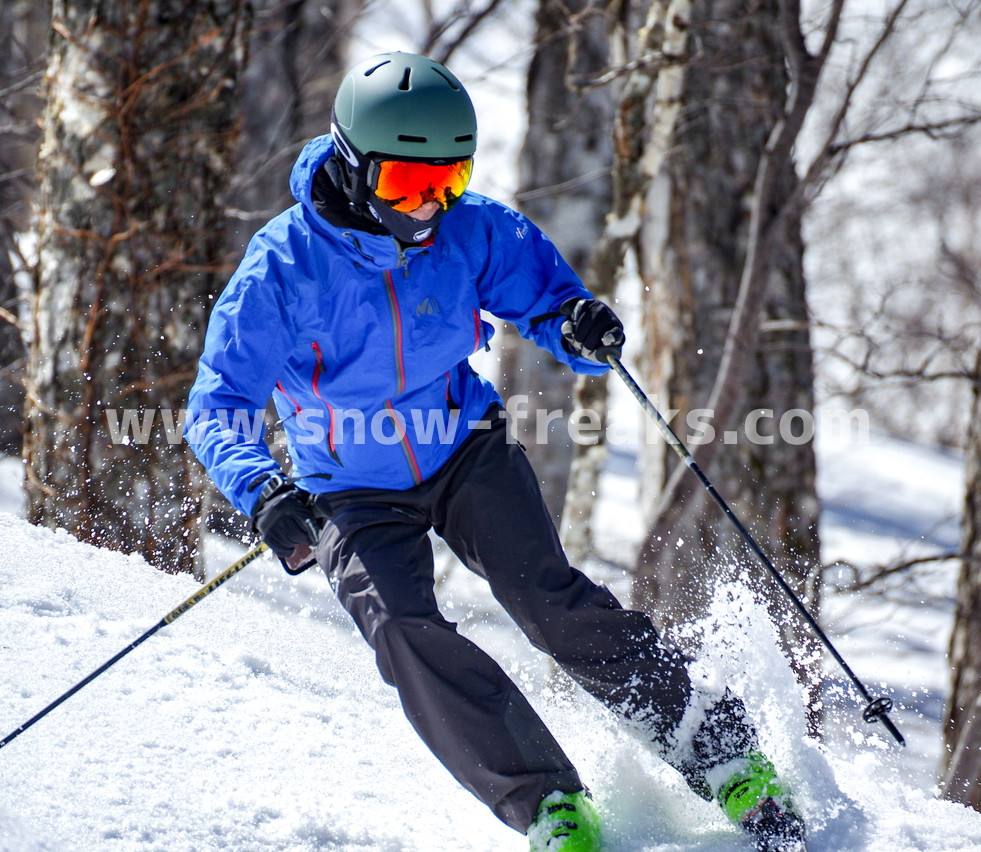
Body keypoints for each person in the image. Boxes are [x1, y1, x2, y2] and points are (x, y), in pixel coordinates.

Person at [186, 51, 806, 852]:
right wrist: (263, 490)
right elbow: (218, 404)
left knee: (547, 600)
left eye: (448, 180)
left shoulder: (472, 231)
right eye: (407, 186)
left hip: (464, 451)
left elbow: (550, 302)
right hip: (349, 487)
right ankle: (548, 804)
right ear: (352, 164)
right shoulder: (282, 269)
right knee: (405, 632)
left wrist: (582, 327)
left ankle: (722, 756)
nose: (431, 206)